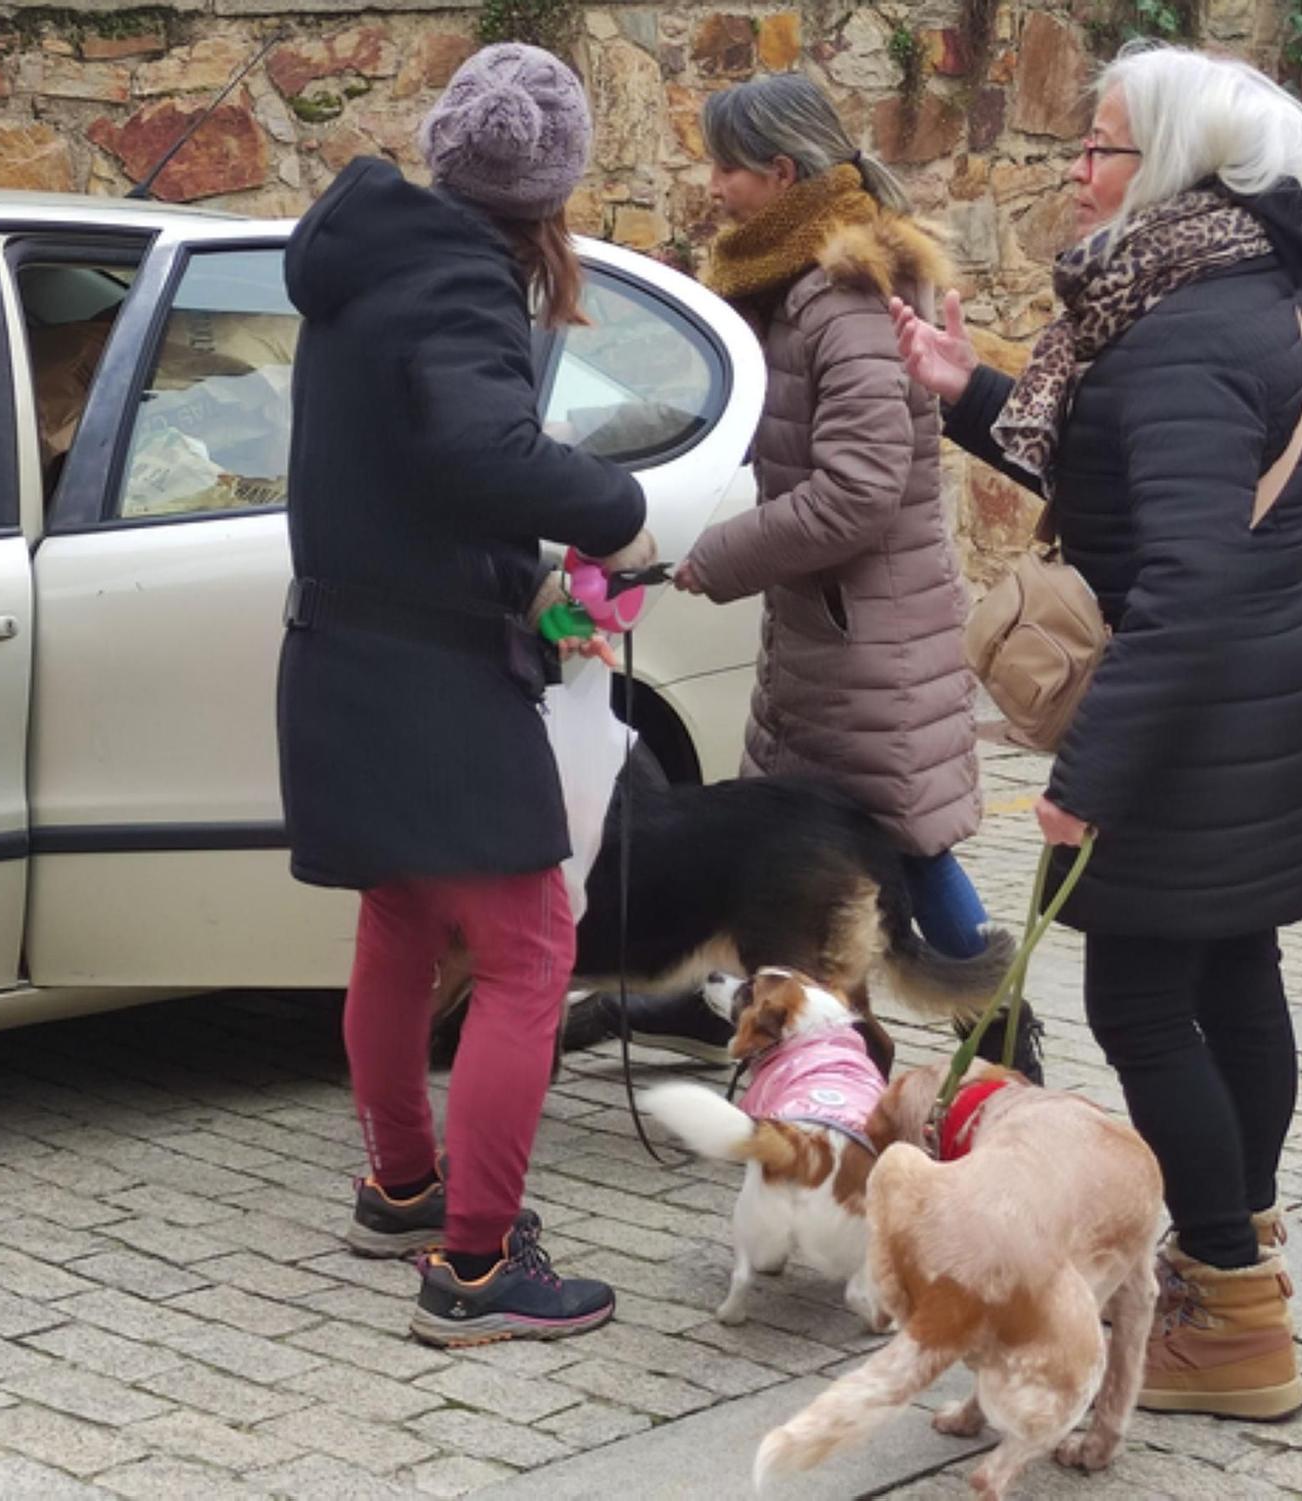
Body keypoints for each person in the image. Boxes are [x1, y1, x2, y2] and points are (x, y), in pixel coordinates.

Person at [891, 43, 1302, 1420]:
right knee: (1227, 981)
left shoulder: (1183, 326)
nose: (1075, 172)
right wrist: (968, 389)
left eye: (1097, 147)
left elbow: (1187, 575)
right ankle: (1242, 1260)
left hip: (1196, 728)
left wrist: (1087, 777)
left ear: (1169, 169)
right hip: (1260, 707)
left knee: (1144, 1002)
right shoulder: (1234, 290)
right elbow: (1133, 477)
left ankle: (1230, 1308)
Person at [277, 42, 656, 1348]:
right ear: (547, 187)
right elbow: (479, 445)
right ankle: (480, 1265)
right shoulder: (455, 276)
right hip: (425, 666)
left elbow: (426, 462)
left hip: (346, 648)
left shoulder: (372, 252)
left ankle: (401, 1185)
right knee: (528, 949)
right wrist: (620, 508)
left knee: (398, 922)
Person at [597, 73, 1041, 1076]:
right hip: (827, 629)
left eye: (725, 166)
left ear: (781, 174)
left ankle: (1001, 1038)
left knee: (899, 842)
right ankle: (810, 1043)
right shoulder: (783, 285)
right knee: (817, 849)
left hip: (865, 634)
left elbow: (857, 490)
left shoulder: (841, 296)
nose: (710, 185)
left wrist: (713, 560)